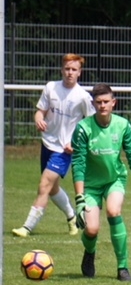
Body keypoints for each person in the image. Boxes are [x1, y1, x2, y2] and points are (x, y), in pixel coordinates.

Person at [71, 83, 131, 281]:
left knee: (114, 211)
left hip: (114, 180)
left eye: (106, 101)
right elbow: (78, 164)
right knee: (91, 229)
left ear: (113, 103)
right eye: (98, 102)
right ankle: (90, 252)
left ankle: (122, 268)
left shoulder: (122, 125)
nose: (102, 105)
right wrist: (79, 197)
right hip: (90, 185)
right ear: (93, 104)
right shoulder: (83, 128)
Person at [12, 53, 95, 237]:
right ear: (61, 70)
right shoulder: (51, 87)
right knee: (52, 188)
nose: (70, 72)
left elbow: (91, 125)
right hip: (47, 144)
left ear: (79, 72)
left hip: (64, 150)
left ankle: (27, 227)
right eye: (67, 69)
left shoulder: (83, 97)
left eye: (74, 69)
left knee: (44, 185)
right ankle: (72, 217)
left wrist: (76, 143)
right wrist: (38, 119)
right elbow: (40, 111)